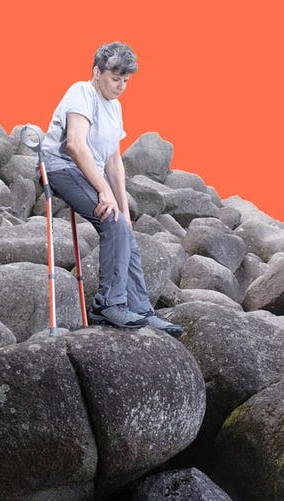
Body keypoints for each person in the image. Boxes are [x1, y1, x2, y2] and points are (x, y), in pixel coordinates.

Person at [39, 41, 182, 337]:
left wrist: (123, 205)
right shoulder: (81, 92)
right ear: (96, 72)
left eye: (126, 81)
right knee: (111, 220)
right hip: (60, 168)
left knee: (123, 227)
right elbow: (75, 145)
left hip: (89, 173)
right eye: (115, 79)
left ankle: (141, 309)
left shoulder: (115, 106)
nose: (121, 86)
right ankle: (107, 304)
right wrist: (104, 192)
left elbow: (114, 160)